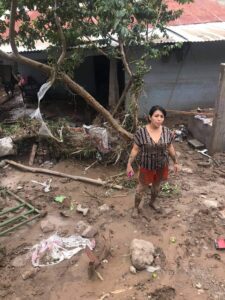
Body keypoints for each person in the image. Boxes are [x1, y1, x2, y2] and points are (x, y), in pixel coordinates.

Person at [126, 105, 179, 218]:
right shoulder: (141, 132)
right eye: (156, 116)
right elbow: (135, 149)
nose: (159, 118)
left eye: (162, 116)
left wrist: (175, 162)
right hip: (147, 166)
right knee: (141, 188)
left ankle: (152, 202)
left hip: (162, 165)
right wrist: (129, 164)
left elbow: (170, 147)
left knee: (156, 186)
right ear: (150, 117)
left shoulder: (167, 132)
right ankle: (136, 208)